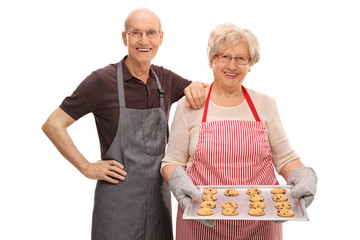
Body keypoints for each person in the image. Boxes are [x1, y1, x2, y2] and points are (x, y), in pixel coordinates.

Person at [42, 8, 207, 240]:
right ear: (124, 37)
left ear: (161, 38)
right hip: (116, 209)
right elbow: (53, 124)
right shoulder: (102, 81)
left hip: (158, 204)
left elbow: (207, 95)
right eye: (136, 33)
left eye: (151, 33)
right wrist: (86, 167)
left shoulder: (165, 80)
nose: (144, 40)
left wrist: (198, 86)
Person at [161, 23, 318, 239]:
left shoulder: (265, 104)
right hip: (202, 224)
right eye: (224, 56)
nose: (232, 65)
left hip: (260, 224)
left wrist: (304, 175)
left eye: (241, 58)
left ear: (250, 63)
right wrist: (178, 182)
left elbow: (285, 159)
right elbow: (171, 162)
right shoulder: (190, 106)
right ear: (212, 60)